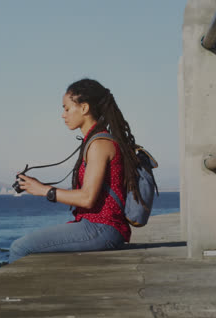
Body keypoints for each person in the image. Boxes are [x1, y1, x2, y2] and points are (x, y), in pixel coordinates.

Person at [9, 78, 142, 263]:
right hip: (98, 226)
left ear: (84, 108)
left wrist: (43, 190)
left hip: (102, 228)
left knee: (19, 248)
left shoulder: (100, 144)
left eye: (67, 108)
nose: (63, 115)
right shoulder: (95, 140)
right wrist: (39, 186)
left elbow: (87, 198)